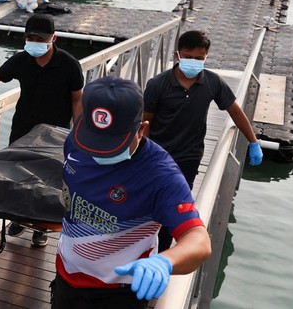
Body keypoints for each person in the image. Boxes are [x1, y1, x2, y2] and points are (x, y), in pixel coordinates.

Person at [53, 76, 212, 308]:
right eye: (94, 141)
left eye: (112, 144)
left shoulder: (160, 175)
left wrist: (165, 262)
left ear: (141, 130)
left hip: (119, 290)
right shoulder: (76, 143)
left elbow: (199, 240)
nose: (101, 153)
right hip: (66, 274)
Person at [0, 13, 83, 247]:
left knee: (48, 182)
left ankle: (42, 229)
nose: (35, 42)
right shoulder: (21, 60)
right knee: (17, 180)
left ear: (53, 38)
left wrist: (77, 132)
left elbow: (77, 99)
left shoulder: (68, 64)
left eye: (40, 38)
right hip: (24, 131)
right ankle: (18, 219)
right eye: (30, 37)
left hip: (55, 133)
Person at [142, 29, 263, 251]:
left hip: (189, 157)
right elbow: (145, 122)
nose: (193, 62)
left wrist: (253, 141)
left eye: (199, 58)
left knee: (177, 208)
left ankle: (164, 255)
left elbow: (235, 111)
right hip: (157, 156)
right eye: (188, 57)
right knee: (150, 206)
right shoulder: (157, 84)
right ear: (178, 55)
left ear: (206, 58)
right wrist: (141, 154)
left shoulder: (213, 82)